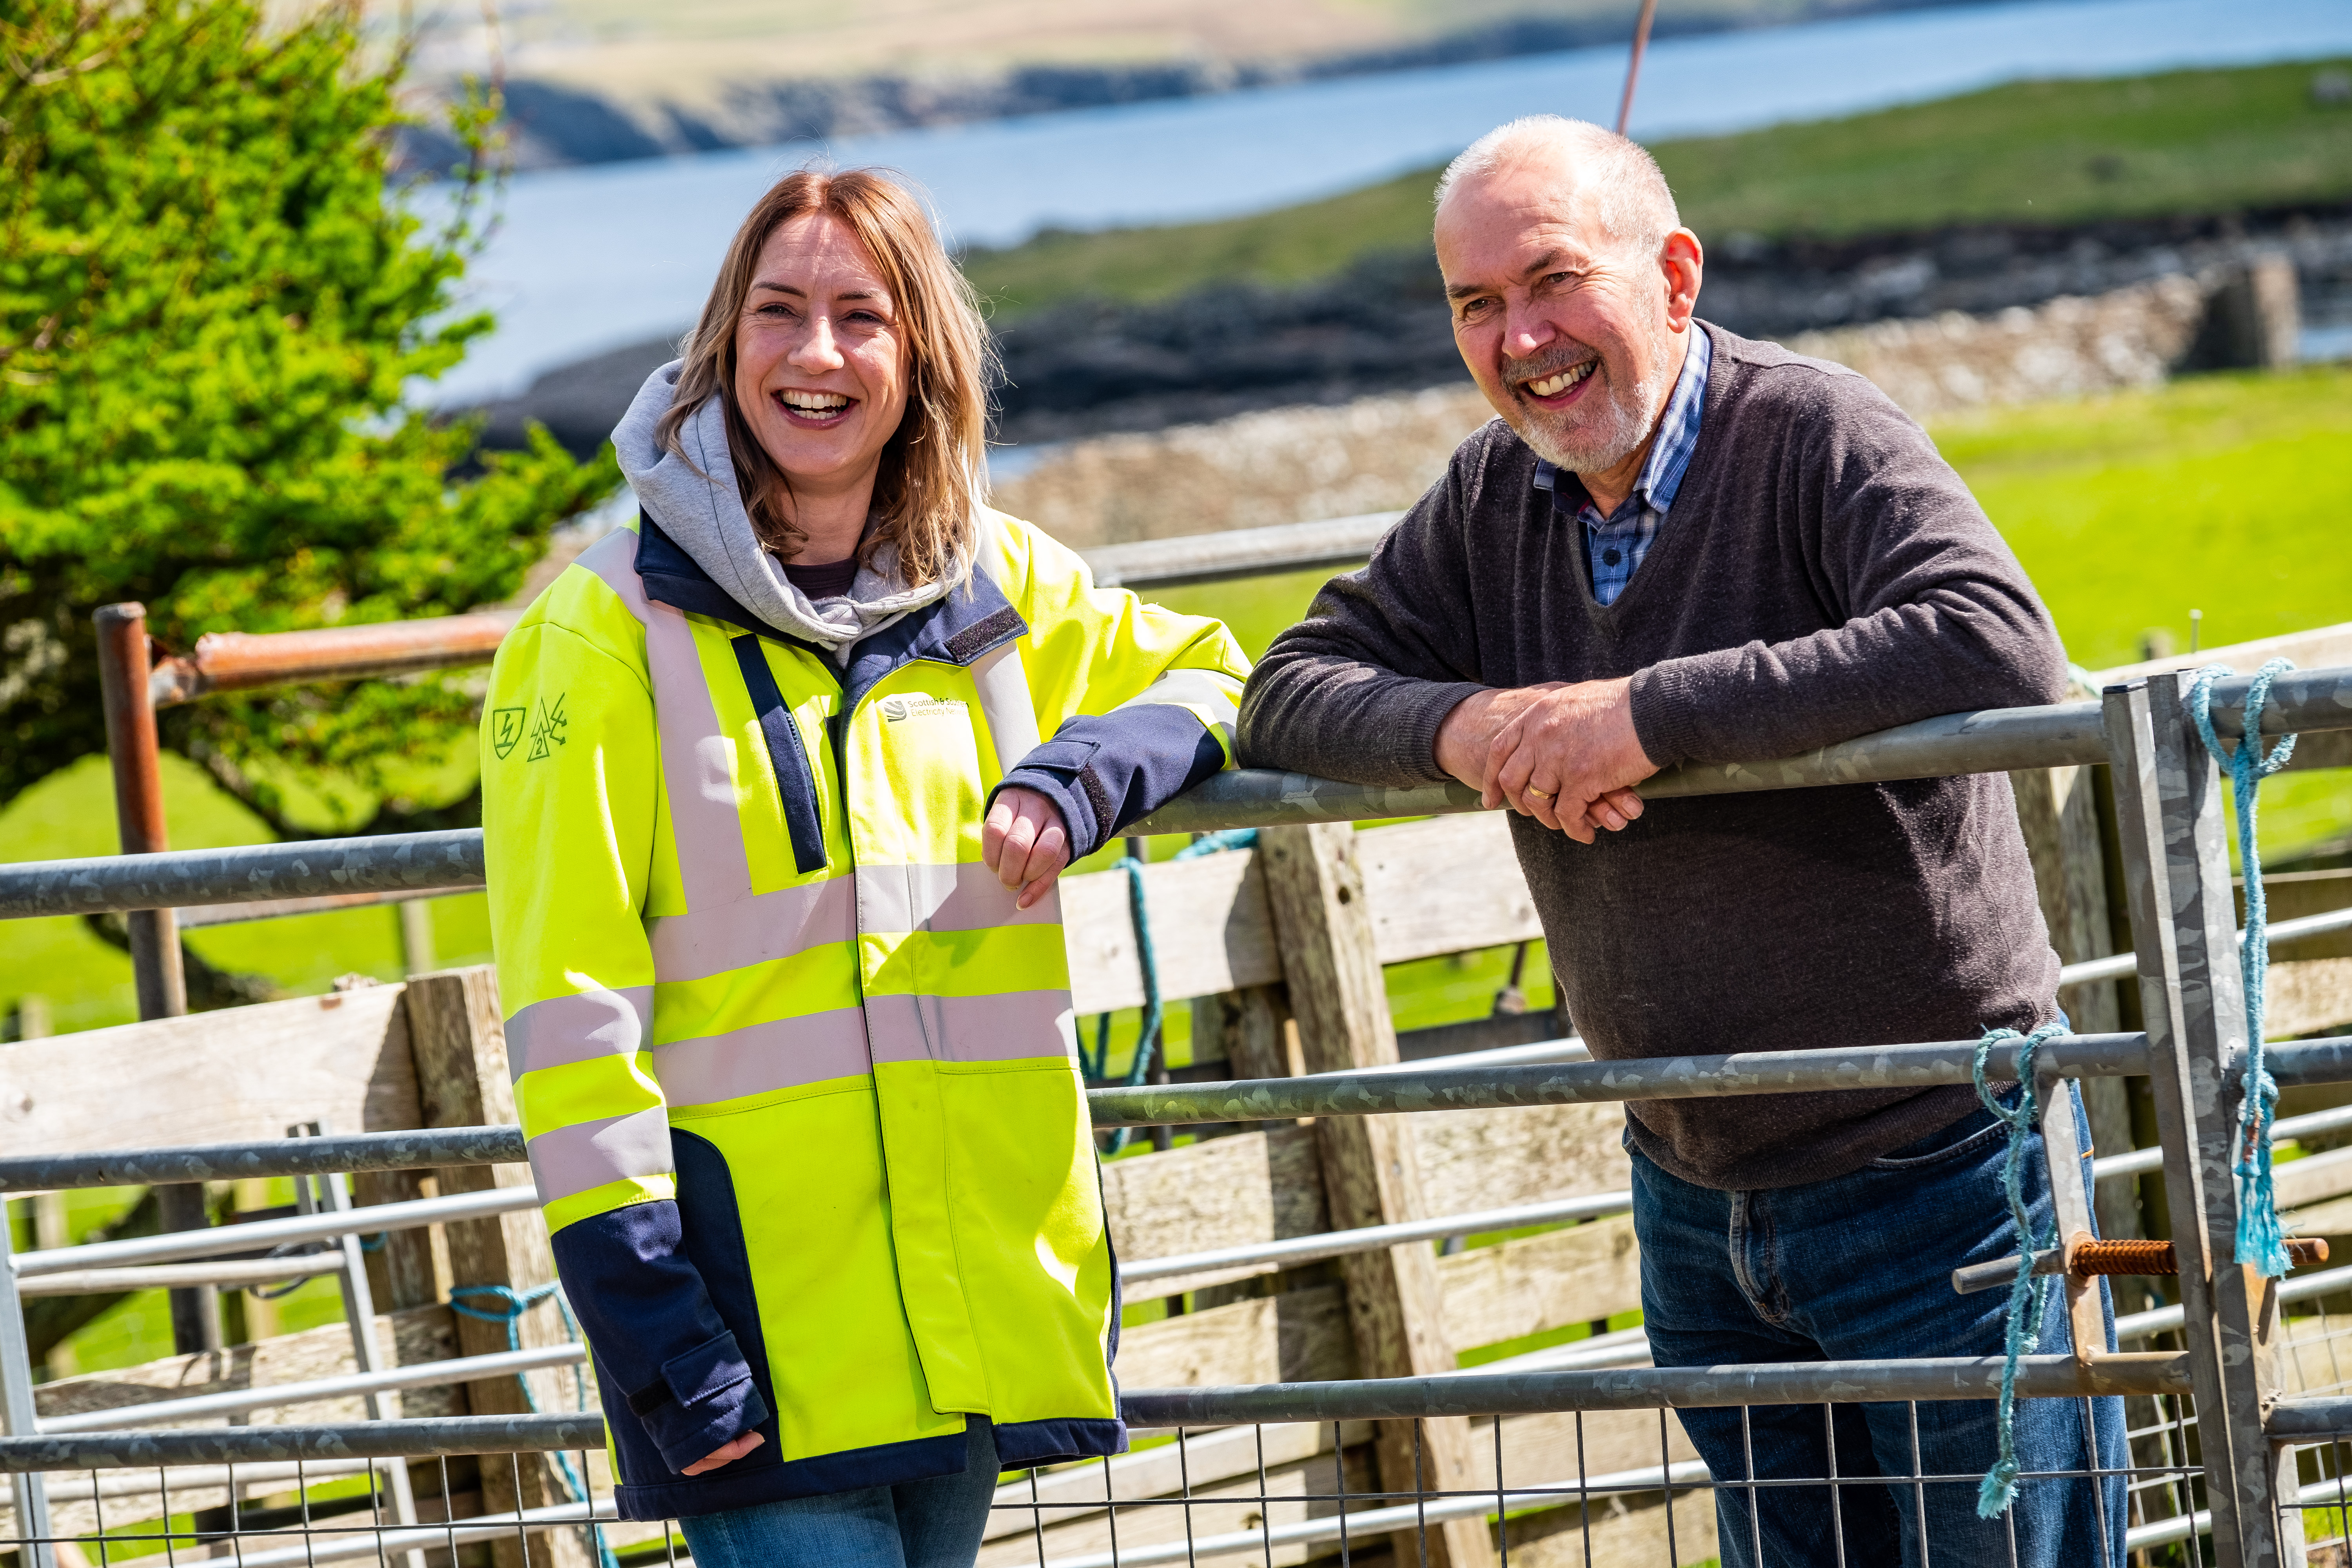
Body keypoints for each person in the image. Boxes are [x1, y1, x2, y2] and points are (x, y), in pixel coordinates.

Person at [1236, 116, 2126, 1565]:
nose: (1521, 338)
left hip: (1942, 1169)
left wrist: (1646, 717)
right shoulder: (1490, 497)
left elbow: (1997, 643)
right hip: (1694, 1183)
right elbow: (1292, 688)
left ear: (1675, 274)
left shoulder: (1815, 431)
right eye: (1476, 304)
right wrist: (1474, 733)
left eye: (1552, 281)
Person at [481, 167, 1250, 1568]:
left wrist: (1085, 778)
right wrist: (661, 1348)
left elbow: (1220, 673)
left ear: (922, 359)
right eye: (779, 314)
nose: (817, 355)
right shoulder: (594, 638)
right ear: (725, 345)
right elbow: (567, 1012)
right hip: (753, 1350)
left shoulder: (998, 586)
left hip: (967, 1333)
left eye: (862, 317)